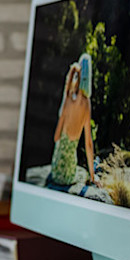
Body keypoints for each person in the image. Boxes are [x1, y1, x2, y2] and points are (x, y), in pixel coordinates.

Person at [51, 53, 97, 187]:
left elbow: (56, 138)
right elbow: (88, 143)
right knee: (81, 173)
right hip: (69, 174)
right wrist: (92, 176)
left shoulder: (68, 99)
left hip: (56, 172)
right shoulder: (87, 104)